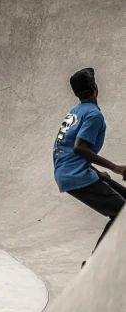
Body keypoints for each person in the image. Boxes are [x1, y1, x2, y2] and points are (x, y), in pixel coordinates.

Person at [53, 68, 126, 262]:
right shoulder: (94, 115)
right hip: (76, 175)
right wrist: (114, 167)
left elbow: (65, 149)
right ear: (96, 88)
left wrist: (95, 171)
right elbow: (79, 148)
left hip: (72, 170)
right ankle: (95, 265)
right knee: (121, 213)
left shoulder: (75, 112)